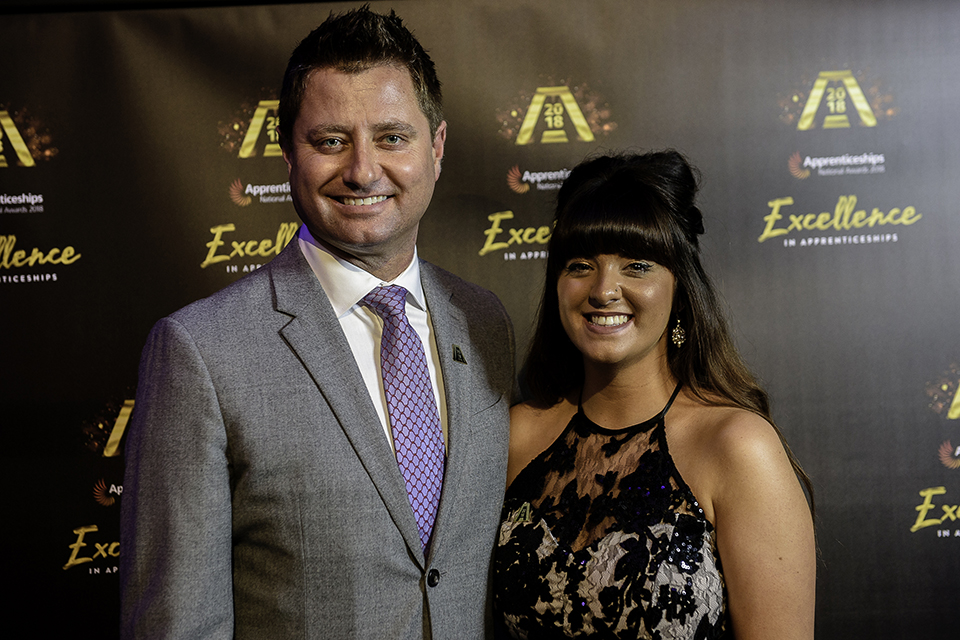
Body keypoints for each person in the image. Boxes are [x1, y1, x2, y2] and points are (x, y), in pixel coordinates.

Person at [120, 7, 515, 639]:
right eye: (330, 141)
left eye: (392, 137)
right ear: (287, 155)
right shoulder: (200, 352)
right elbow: (177, 625)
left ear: (436, 149)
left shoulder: (485, 321)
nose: (362, 169)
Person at [493, 150, 815, 639]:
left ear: (679, 287)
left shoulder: (737, 446)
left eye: (637, 266)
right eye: (580, 264)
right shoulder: (516, 436)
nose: (604, 289)